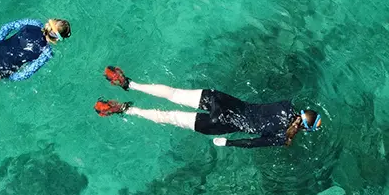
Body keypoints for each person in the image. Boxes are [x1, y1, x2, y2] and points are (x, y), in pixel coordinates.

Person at [93, 66, 321, 148]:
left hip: (224, 101)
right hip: (221, 124)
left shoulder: (285, 105)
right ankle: (126, 109)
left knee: (174, 93)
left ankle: (131, 83)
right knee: (170, 117)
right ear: (305, 129)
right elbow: (253, 142)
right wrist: (228, 142)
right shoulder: (282, 138)